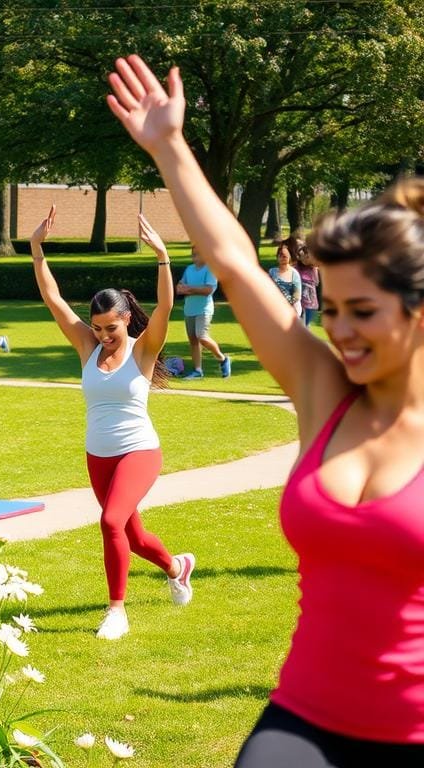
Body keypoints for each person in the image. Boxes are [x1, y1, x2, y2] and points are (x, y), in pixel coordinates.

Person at [109, 53, 424, 764]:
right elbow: (235, 262)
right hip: (301, 723)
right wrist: (170, 146)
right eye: (331, 308)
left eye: (363, 311)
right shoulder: (323, 393)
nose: (338, 330)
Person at [29, 204, 195, 641]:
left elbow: (166, 304)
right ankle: (178, 567)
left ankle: (116, 611)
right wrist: (35, 249)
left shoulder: (144, 350)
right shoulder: (87, 347)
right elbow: (53, 299)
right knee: (132, 535)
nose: (103, 335)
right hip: (97, 454)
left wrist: (161, 255)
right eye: (98, 328)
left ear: (126, 318)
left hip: (139, 450)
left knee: (110, 522)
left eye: (111, 328)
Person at [176, 246, 231, 379]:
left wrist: (189, 289)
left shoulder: (210, 269)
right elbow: (179, 287)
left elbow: (208, 290)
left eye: (198, 254)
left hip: (204, 309)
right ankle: (197, 370)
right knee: (193, 340)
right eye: (193, 255)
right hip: (189, 309)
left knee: (202, 336)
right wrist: (187, 289)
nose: (195, 257)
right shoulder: (189, 269)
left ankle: (222, 359)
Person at [269, 240, 303, 312]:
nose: (282, 258)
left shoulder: (294, 274)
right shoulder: (272, 272)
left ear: (290, 257)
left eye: (285, 256)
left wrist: (286, 306)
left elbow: (297, 295)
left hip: (291, 309)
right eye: (280, 255)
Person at [293, 239, 321, 326]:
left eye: (309, 256)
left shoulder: (314, 269)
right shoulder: (295, 268)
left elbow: (316, 283)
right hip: (299, 303)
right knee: (301, 326)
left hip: (311, 304)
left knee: (306, 325)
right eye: (306, 255)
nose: (307, 258)